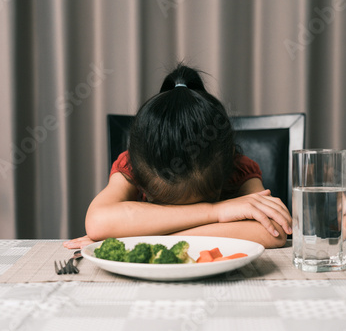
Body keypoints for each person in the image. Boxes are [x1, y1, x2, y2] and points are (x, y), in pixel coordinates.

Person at [64, 64, 292, 250]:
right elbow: (98, 221)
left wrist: (136, 237)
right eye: (164, 206)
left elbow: (273, 232)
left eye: (200, 204)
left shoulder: (238, 168)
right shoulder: (132, 166)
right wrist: (215, 212)